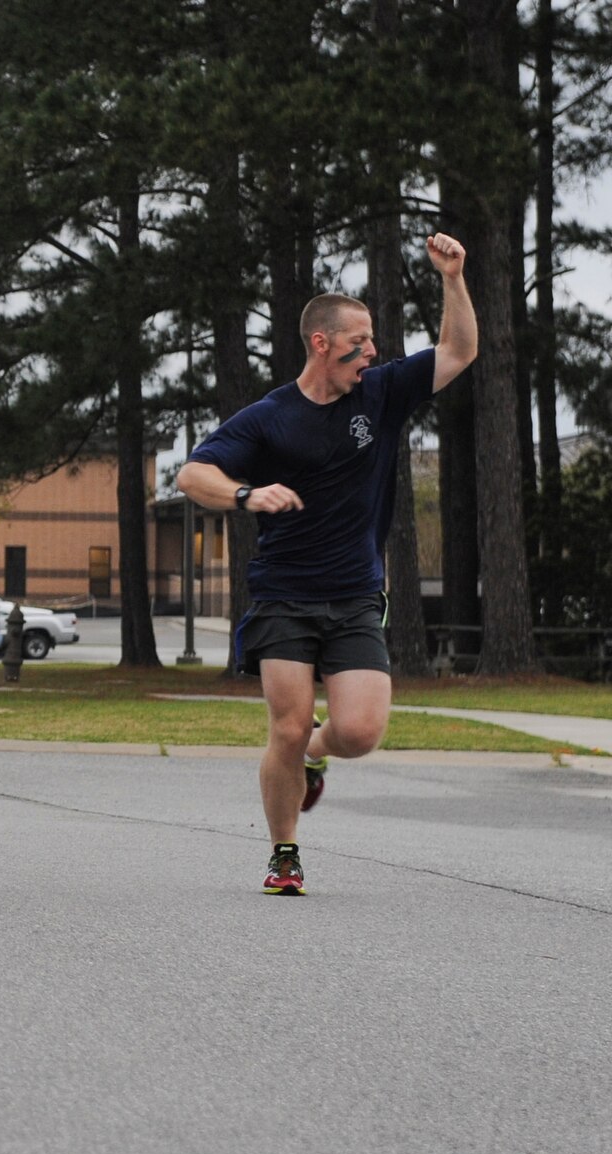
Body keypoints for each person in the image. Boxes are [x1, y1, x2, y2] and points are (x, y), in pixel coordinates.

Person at [176, 232, 475, 896]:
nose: (370, 352)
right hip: (283, 595)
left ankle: (316, 753)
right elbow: (192, 474)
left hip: (357, 595)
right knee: (284, 724)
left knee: (360, 731)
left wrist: (452, 279)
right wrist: (247, 493)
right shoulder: (269, 418)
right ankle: (285, 852)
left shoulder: (380, 395)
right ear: (321, 343)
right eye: (359, 341)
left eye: (371, 342)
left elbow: (458, 350)